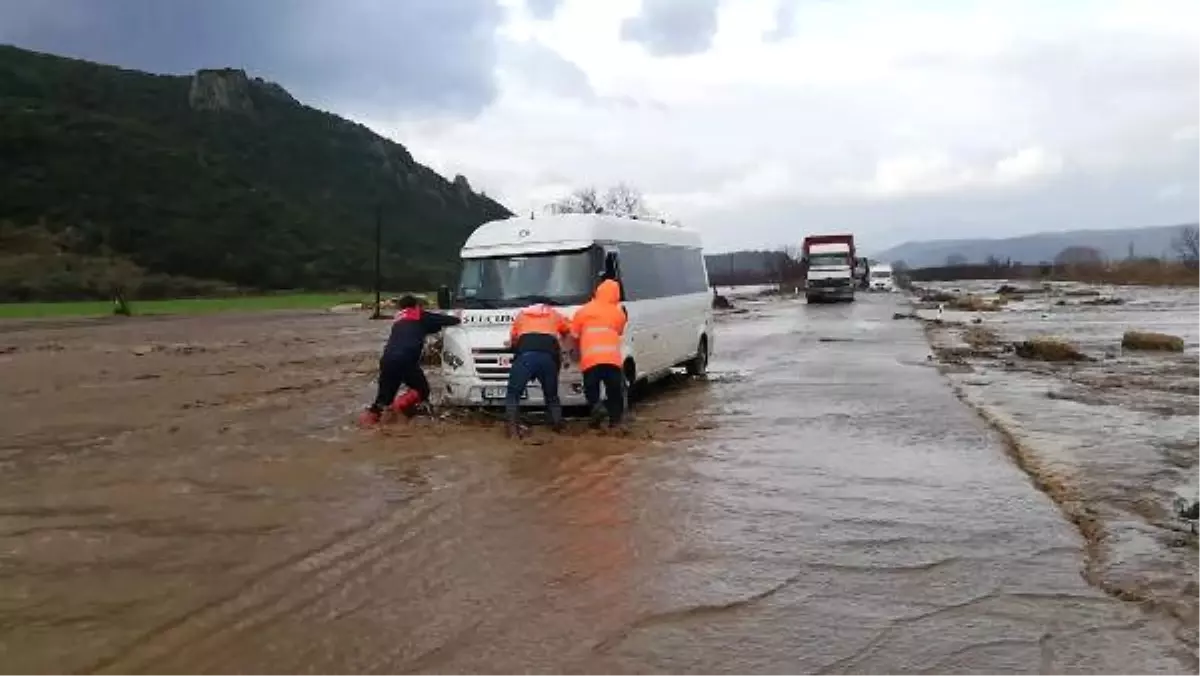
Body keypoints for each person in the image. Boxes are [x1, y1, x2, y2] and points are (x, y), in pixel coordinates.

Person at [359, 295, 461, 427]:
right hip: (406, 359)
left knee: (383, 399)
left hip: (387, 360)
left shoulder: (399, 319)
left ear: (401, 308)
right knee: (422, 390)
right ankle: (401, 407)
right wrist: (459, 314)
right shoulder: (419, 315)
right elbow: (451, 320)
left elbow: (422, 329)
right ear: (417, 306)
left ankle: (367, 423)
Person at [504, 303, 571, 438]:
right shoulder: (554, 314)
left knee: (513, 394)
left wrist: (511, 345)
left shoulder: (521, 315)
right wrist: (565, 350)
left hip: (525, 357)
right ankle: (557, 424)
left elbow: (513, 340)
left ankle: (512, 430)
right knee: (551, 395)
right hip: (548, 358)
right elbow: (568, 330)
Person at [571, 279, 628, 430]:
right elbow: (620, 331)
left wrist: (576, 353)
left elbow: (574, 335)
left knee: (592, 390)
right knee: (615, 392)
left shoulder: (583, 311)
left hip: (590, 360)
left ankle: (597, 410)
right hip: (612, 360)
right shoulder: (618, 313)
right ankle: (615, 422)